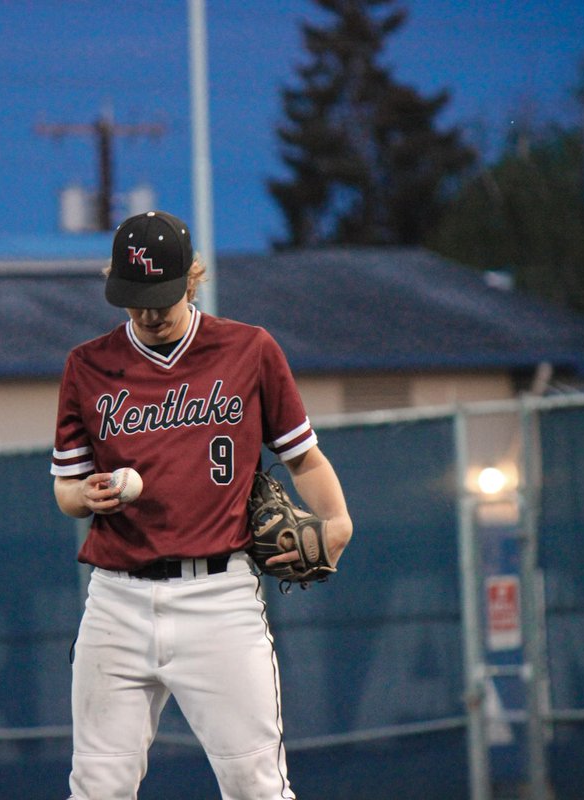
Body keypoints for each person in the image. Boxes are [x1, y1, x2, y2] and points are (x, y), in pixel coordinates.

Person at [50, 210, 353, 799]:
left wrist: (338, 521)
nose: (149, 314)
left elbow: (304, 459)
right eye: (135, 300)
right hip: (116, 599)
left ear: (192, 280)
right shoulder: (86, 365)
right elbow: (66, 489)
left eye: (161, 297)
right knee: (97, 788)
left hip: (218, 598)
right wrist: (81, 496)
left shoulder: (249, 349)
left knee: (255, 786)